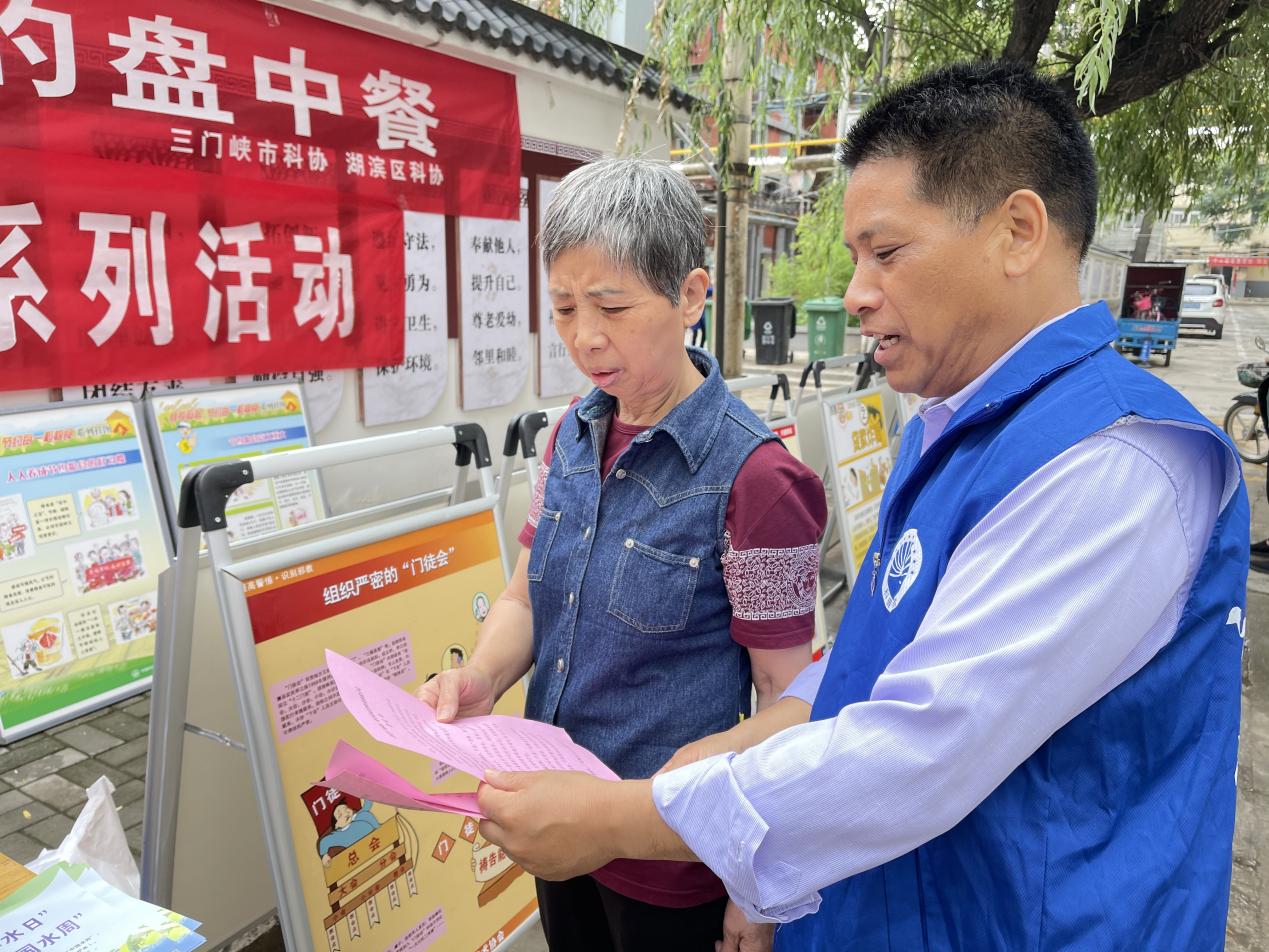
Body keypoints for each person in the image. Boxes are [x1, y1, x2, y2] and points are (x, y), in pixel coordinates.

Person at [473, 62, 1248, 952]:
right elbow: (879, 648)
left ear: (1017, 232)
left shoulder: (1112, 464)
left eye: (885, 252)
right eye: (565, 308)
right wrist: (764, 733)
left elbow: (919, 748)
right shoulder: (945, 429)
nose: (854, 293)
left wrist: (637, 817)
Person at [419, 157, 826, 952]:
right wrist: (480, 678)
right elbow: (526, 597)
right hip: (552, 826)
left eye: (611, 305)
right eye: (565, 308)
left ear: (690, 295)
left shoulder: (759, 479)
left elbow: (788, 701)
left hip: (670, 867)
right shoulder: (571, 432)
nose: (585, 338)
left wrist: (762, 884)